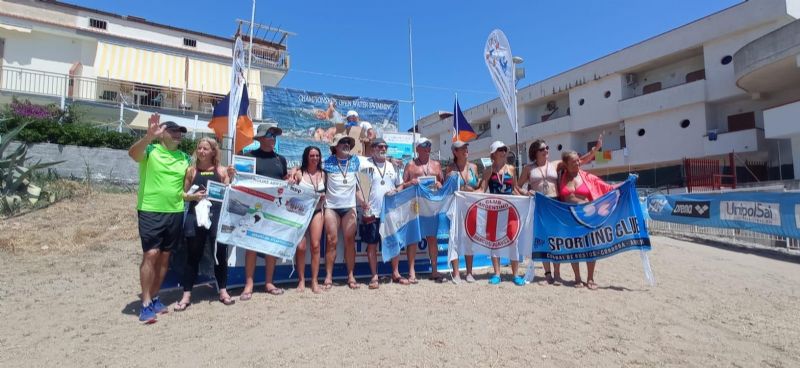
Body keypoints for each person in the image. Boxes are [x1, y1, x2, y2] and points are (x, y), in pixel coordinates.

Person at [127, 114, 190, 323]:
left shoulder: (185, 158)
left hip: (175, 211)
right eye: (173, 130)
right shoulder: (151, 151)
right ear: (162, 134)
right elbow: (132, 154)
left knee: (165, 257)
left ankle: (154, 297)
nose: (178, 134)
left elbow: (197, 175)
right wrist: (147, 137)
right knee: (151, 254)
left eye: (180, 132)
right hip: (150, 210)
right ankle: (144, 304)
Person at [518, 136, 601, 285]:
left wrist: (594, 150)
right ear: (535, 152)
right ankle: (548, 274)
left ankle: (557, 273)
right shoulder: (528, 169)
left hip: (556, 202)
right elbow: (518, 186)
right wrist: (526, 192)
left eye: (547, 148)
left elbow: (578, 162)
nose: (546, 151)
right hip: (540, 204)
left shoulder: (555, 164)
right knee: (544, 238)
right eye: (543, 149)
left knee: (557, 239)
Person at [175, 138, 234, 311]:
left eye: (205, 149)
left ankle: (223, 291)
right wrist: (193, 197)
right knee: (193, 256)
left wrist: (230, 178)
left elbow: (228, 193)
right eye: (199, 148)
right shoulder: (191, 171)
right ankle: (186, 295)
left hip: (216, 216)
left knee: (219, 254)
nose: (201, 151)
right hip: (195, 216)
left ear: (213, 152)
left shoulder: (222, 171)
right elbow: (183, 194)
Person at [240, 123, 290, 300]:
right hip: (254, 208)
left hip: (274, 209)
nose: (273, 139)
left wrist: (291, 179)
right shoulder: (249, 157)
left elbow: (284, 180)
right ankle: (249, 284)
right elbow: (241, 181)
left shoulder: (281, 159)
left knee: (271, 246)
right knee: (251, 247)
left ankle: (269, 282)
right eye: (270, 135)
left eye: (274, 136)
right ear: (260, 138)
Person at [558, 150, 615, 290]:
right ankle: (577, 277)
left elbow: (607, 188)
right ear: (566, 164)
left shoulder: (587, 177)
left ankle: (590, 278)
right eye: (574, 162)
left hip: (588, 217)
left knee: (591, 246)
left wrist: (625, 185)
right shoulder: (560, 176)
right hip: (570, 217)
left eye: (578, 160)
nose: (578, 163)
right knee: (574, 247)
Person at [323, 134, 369, 289]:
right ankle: (328, 276)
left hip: (349, 207)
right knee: (331, 242)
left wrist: (363, 202)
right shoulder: (327, 162)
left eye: (348, 142)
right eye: (342, 142)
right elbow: (316, 178)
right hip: (331, 207)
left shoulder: (355, 161)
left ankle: (351, 276)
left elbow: (374, 161)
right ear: (335, 146)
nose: (346, 144)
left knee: (350, 242)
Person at [360, 138, 407, 289]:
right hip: (373, 211)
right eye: (380, 146)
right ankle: (374, 276)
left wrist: (396, 190)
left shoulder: (393, 166)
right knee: (372, 245)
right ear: (372, 149)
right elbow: (362, 189)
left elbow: (400, 186)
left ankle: (396, 273)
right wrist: (364, 204)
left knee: (394, 242)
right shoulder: (366, 165)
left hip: (390, 212)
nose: (383, 149)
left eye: (385, 146)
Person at [479, 141, 524, 286]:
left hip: (510, 210)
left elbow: (515, 188)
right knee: (494, 242)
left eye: (505, 149)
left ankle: (516, 274)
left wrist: (526, 193)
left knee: (513, 240)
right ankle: (497, 273)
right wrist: (463, 193)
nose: (504, 152)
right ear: (493, 153)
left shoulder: (511, 169)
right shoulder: (488, 170)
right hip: (493, 210)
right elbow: (482, 190)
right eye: (501, 150)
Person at [402, 137, 445, 284]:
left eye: (429, 146)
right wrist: (410, 183)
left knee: (432, 238)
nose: (427, 148)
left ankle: (434, 270)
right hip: (415, 205)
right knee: (413, 238)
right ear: (417, 148)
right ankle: (411, 272)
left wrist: (439, 184)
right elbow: (402, 185)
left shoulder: (437, 165)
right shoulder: (410, 165)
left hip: (432, 206)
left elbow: (442, 184)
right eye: (424, 146)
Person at [444, 140, 480, 283]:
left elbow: (477, 186)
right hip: (456, 207)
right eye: (462, 148)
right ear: (455, 152)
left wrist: (474, 189)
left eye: (466, 147)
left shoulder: (474, 167)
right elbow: (446, 188)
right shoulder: (450, 169)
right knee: (454, 238)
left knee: (470, 239)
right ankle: (456, 272)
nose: (465, 150)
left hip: (471, 207)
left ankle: (469, 272)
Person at [292, 146, 326, 293]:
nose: (315, 158)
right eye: (312, 155)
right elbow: (291, 187)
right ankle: (301, 281)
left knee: (315, 246)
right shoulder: (299, 173)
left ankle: (314, 280)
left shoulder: (323, 174)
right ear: (306, 157)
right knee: (300, 247)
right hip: (300, 212)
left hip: (317, 211)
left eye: (317, 156)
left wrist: (323, 196)